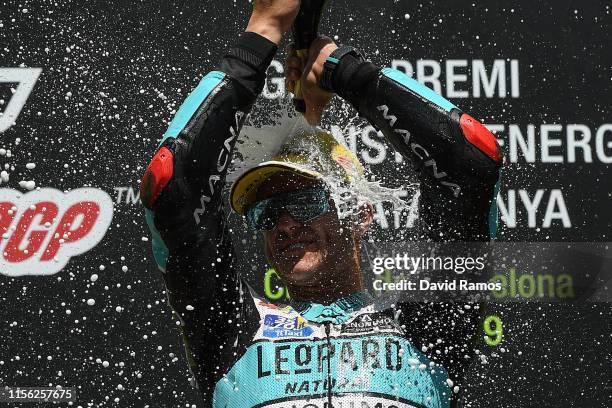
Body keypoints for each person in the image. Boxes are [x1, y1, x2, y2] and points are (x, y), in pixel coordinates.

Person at [140, 1, 502, 407]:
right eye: (268, 213)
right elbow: (171, 186)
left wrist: (343, 71)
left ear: (360, 213)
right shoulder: (229, 332)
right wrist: (263, 31)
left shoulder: (426, 330)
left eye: (306, 200)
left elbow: (470, 161)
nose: (286, 225)